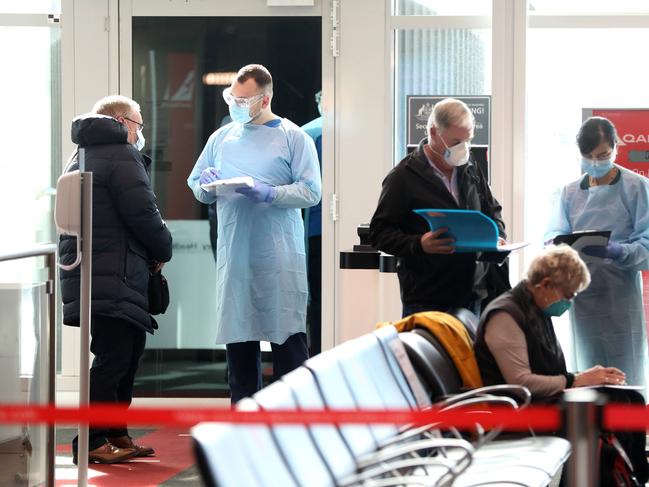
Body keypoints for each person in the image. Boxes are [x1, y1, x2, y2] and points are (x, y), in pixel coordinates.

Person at [187, 64, 321, 403]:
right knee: (239, 335)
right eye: (233, 97)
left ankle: (293, 418)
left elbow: (311, 192)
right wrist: (205, 186)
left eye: (243, 99)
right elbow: (197, 183)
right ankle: (243, 416)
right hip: (235, 250)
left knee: (286, 337)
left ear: (265, 99)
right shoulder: (221, 138)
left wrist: (270, 193)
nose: (236, 104)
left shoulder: (294, 138)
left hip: (277, 253)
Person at [59, 95, 173, 464]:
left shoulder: (83, 153)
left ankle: (115, 434)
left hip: (99, 272)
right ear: (122, 122)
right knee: (114, 359)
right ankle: (91, 440)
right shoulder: (120, 155)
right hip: (114, 273)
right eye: (139, 124)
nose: (141, 133)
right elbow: (142, 212)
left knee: (123, 354)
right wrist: (163, 247)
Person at [474, 246, 648, 483]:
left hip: (547, 398)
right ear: (545, 284)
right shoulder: (505, 315)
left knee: (633, 400)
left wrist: (587, 378)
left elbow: (549, 372)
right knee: (612, 406)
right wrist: (577, 380)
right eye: (569, 295)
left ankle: (633, 477)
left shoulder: (536, 308)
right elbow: (521, 383)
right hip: (522, 408)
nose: (570, 302)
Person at [369, 98, 509, 318]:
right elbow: (379, 232)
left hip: (475, 293)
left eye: (468, 140)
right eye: (455, 142)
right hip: (428, 298)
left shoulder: (470, 168)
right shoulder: (403, 177)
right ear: (434, 133)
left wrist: (497, 236)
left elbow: (493, 210)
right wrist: (419, 244)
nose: (463, 149)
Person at [545, 116, 649, 391]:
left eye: (602, 155)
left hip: (620, 297)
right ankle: (593, 432)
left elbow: (647, 244)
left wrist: (619, 251)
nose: (595, 162)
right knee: (588, 377)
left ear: (616, 148)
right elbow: (551, 239)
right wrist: (560, 248)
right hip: (582, 298)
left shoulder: (636, 188)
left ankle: (628, 433)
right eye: (588, 156)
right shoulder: (567, 194)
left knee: (626, 379)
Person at [301, 90, 323, 355]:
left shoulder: (308, 133)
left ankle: (317, 355)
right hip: (328, 228)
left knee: (317, 302)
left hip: (314, 231)